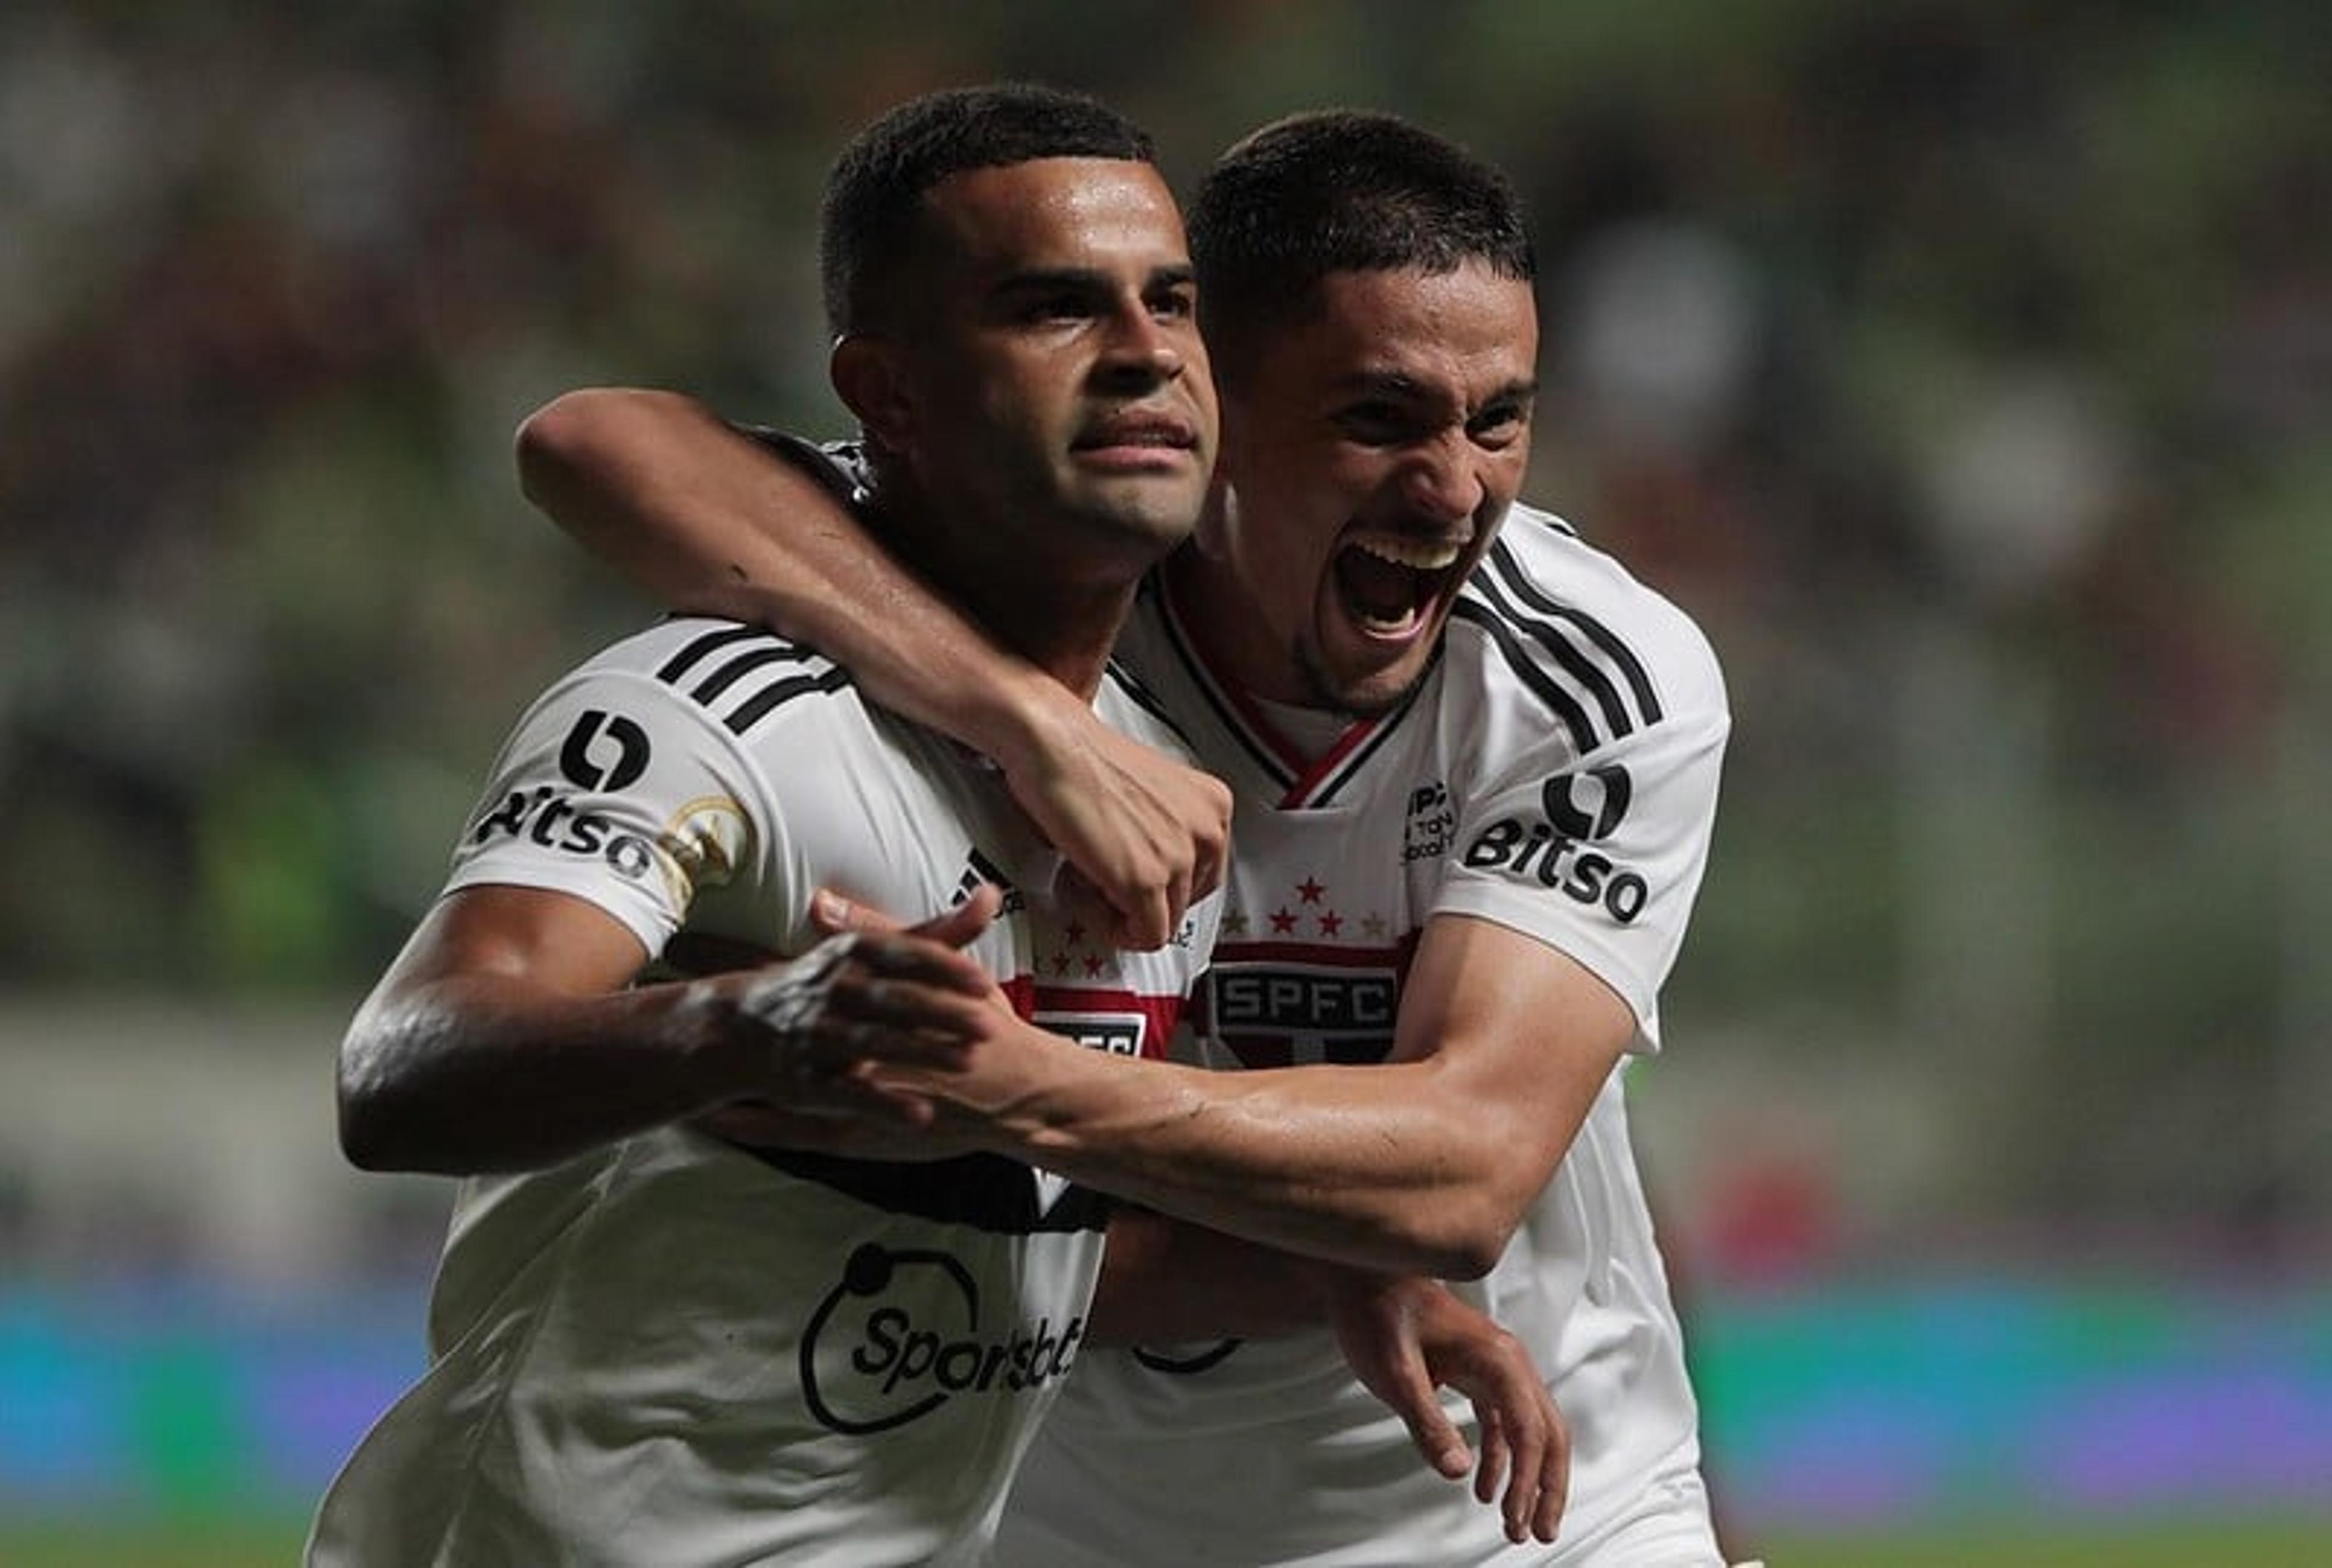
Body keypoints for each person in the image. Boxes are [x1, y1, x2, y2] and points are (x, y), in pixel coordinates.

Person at [308, 86, 1558, 1568]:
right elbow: (398, 1071)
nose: (1148, 349)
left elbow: (1005, 1248)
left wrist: (1328, 1277)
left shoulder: (1157, 796)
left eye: (1172, 302)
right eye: (1054, 309)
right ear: (887, 397)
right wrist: (756, 1025)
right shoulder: (728, 713)